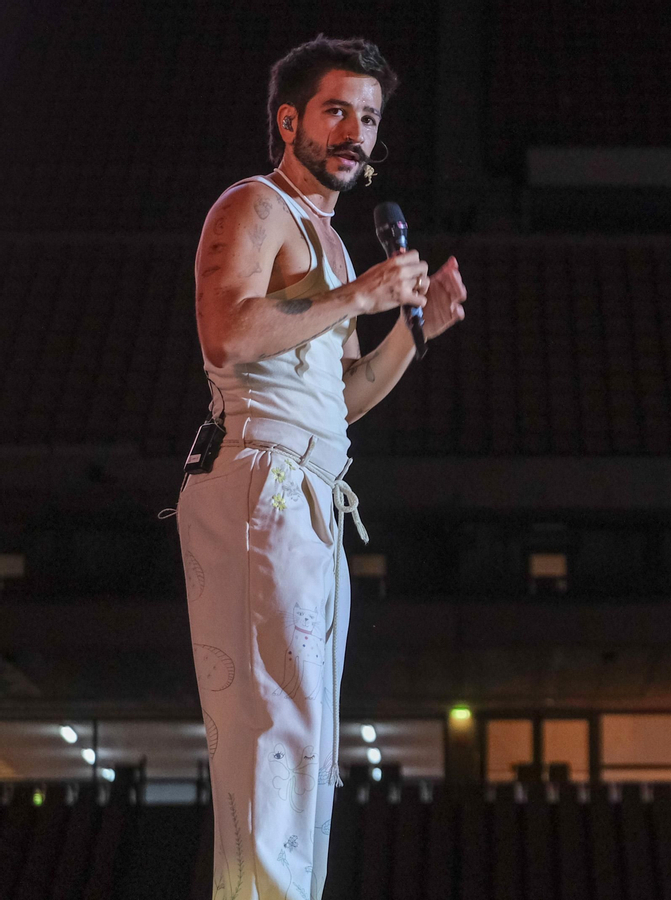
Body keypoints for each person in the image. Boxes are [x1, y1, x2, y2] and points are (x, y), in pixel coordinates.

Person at [176, 35, 466, 899]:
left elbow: (340, 400)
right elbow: (230, 331)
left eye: (370, 118)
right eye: (338, 110)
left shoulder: (335, 250)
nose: (355, 132)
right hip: (260, 477)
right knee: (274, 732)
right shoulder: (255, 205)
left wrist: (415, 332)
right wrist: (361, 298)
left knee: (304, 740)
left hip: (310, 487)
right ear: (290, 118)